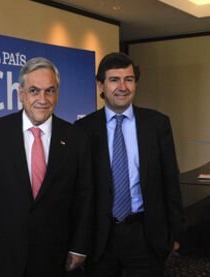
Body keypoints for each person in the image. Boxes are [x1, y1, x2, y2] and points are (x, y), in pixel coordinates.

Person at [0, 57, 93, 277]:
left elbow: (85, 196)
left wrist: (79, 246)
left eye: (49, 91)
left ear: (57, 94)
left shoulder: (76, 138)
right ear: (21, 93)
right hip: (2, 251)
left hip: (56, 252)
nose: (42, 99)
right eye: (34, 91)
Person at [75, 52, 184, 276]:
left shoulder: (157, 124)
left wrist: (176, 233)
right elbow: (79, 191)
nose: (122, 86)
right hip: (100, 238)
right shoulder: (83, 129)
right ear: (101, 86)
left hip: (146, 234)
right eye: (114, 80)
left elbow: (170, 180)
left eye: (129, 79)